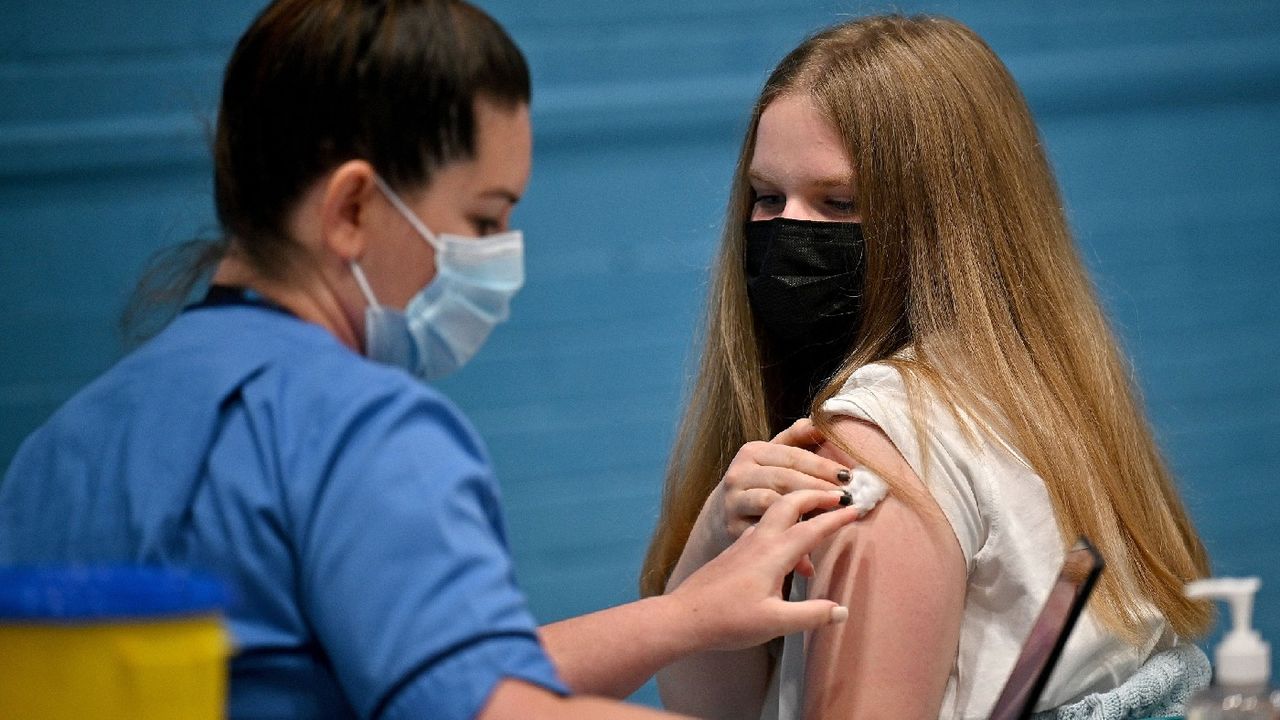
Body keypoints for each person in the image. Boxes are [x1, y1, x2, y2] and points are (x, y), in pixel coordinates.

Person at [0, 1, 866, 719]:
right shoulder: (360, 428)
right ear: (349, 210)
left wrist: (680, 618)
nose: (502, 256)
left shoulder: (64, 445)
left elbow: (427, 667)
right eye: (484, 220)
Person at [640, 14, 1213, 720]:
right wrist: (711, 541)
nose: (789, 231)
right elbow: (718, 705)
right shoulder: (1040, 397)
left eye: (839, 202)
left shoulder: (884, 431)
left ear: (949, 220)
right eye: (766, 197)